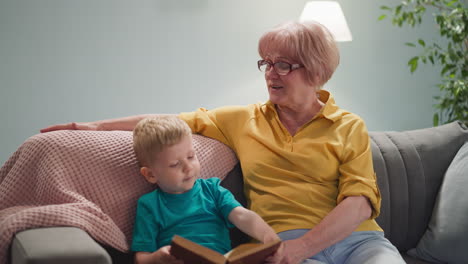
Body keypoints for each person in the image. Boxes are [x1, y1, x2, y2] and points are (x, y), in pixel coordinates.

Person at [41, 21, 405, 264]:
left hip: (359, 241)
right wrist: (88, 126)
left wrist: (305, 247)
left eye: (282, 65)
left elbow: (359, 202)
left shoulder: (348, 125)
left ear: (316, 71)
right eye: (266, 62)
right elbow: (167, 122)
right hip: (281, 243)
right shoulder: (241, 119)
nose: (269, 73)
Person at [130, 116, 279, 264]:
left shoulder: (212, 190)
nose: (188, 167)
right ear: (150, 174)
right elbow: (141, 258)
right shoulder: (149, 205)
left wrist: (267, 235)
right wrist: (157, 258)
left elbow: (241, 215)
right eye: (175, 164)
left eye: (191, 156)